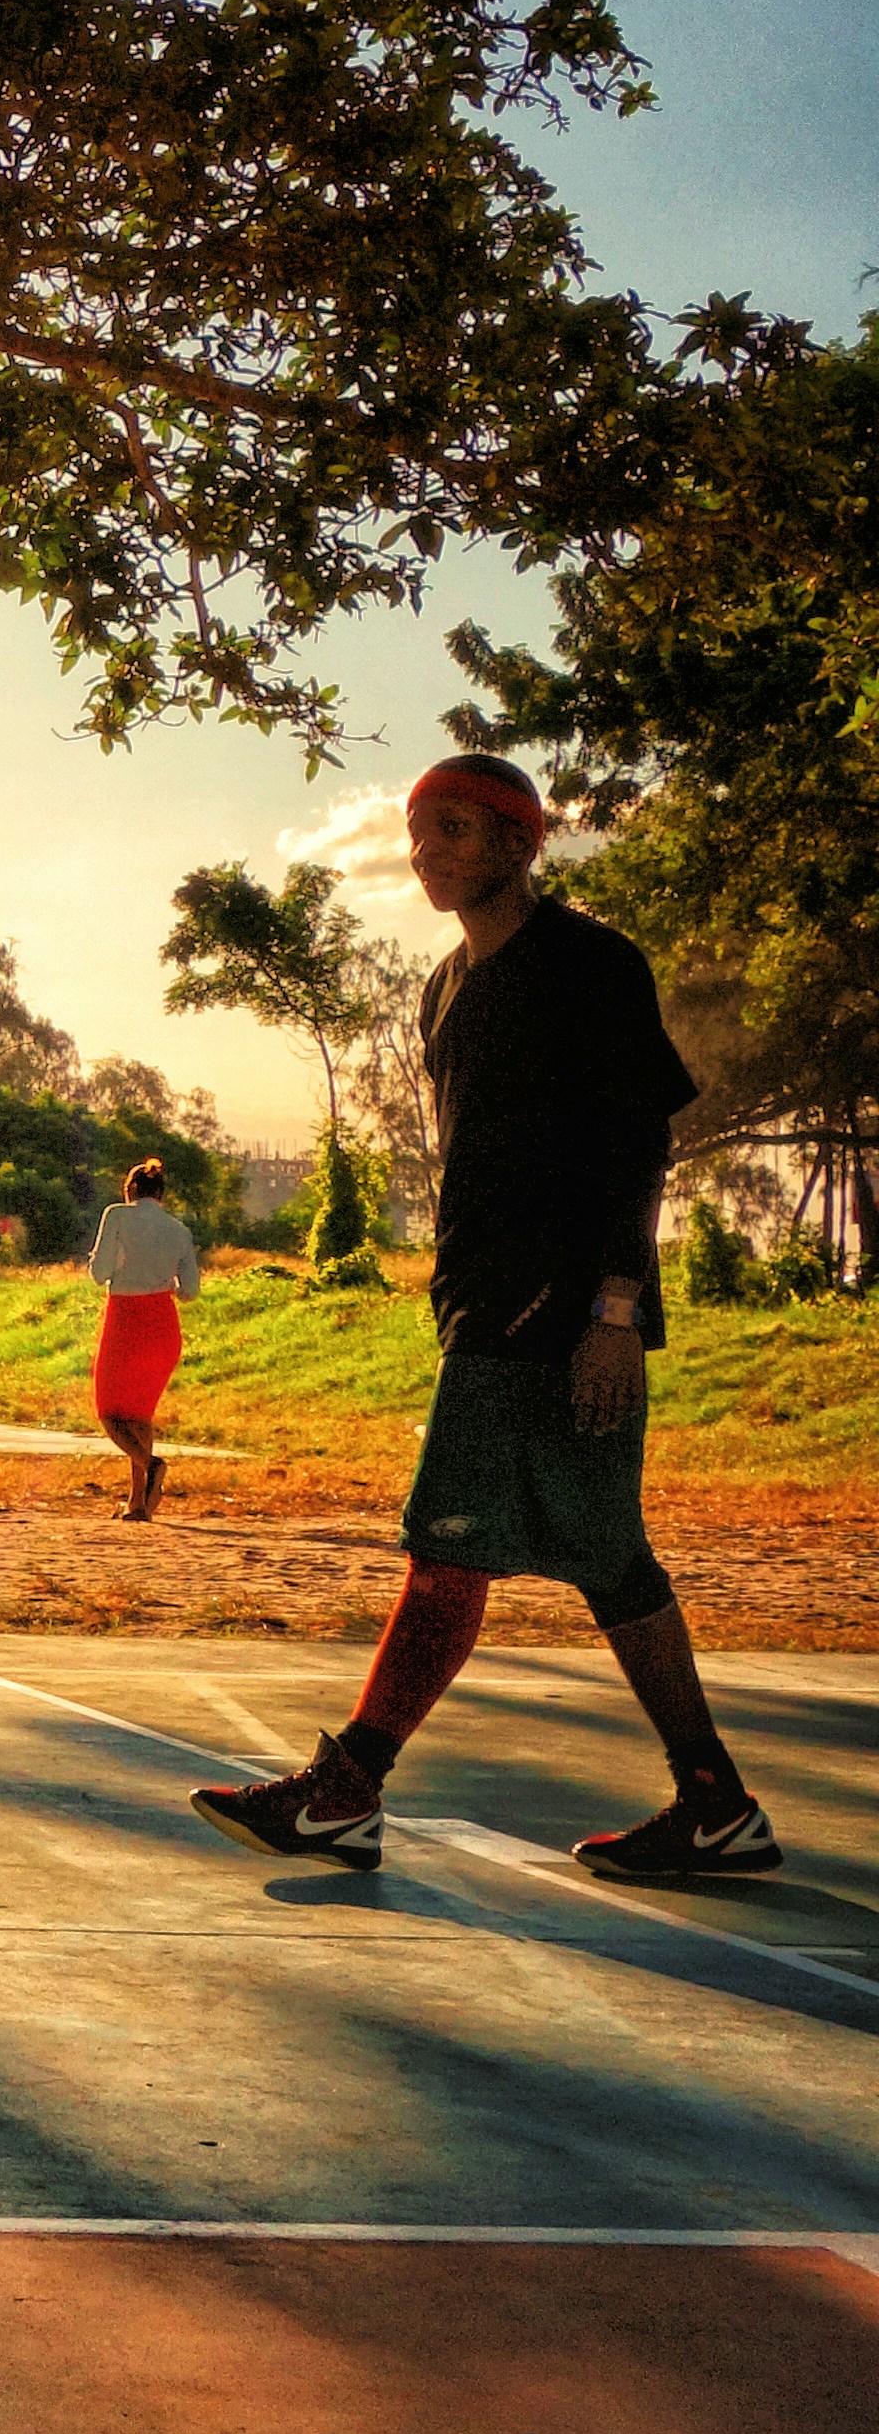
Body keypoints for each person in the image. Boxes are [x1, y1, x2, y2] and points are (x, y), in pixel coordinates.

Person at [189, 752, 781, 1886]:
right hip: (482, 1306)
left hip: (561, 1315)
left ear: (521, 842)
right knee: (605, 1561)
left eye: (455, 831)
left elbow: (635, 1147)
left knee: (448, 1550)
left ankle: (347, 1790)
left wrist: (615, 1309)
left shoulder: (592, 964)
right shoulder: (442, 987)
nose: (428, 853)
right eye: (418, 834)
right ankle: (714, 1804)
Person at [84, 1152, 198, 1520]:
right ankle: (138, 1504)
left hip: (125, 1318)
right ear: (162, 1194)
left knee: (110, 1414)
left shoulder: (115, 1215)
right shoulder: (180, 1231)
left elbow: (100, 1274)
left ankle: (151, 1465)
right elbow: (190, 1290)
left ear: (131, 1189)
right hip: (163, 1323)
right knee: (139, 1415)